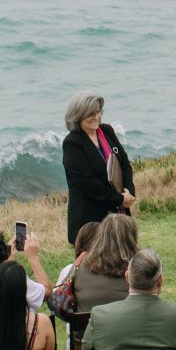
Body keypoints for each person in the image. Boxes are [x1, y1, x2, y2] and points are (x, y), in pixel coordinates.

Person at [61, 94, 137, 241]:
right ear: (78, 115)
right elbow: (87, 183)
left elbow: (124, 163)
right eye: (91, 113)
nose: (96, 117)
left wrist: (129, 192)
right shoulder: (72, 143)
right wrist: (119, 199)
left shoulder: (107, 131)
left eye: (98, 112)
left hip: (118, 212)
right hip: (90, 218)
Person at [62, 213, 139, 314]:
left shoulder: (82, 263)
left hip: (87, 324)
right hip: (128, 323)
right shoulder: (139, 266)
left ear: (101, 235)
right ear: (132, 238)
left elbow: (62, 293)